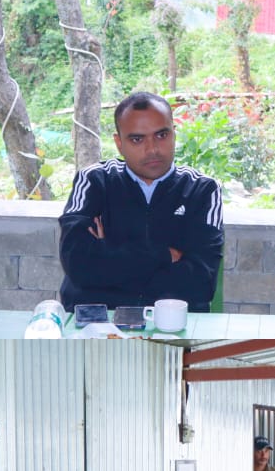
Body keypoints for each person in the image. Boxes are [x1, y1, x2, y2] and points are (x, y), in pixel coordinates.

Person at [58, 91, 224, 311]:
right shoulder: (94, 181)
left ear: (174, 133)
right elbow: (79, 266)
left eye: (161, 135)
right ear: (119, 143)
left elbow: (200, 284)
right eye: (137, 139)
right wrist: (165, 255)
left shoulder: (202, 190)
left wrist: (109, 261)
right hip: (97, 324)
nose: (152, 149)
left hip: (171, 326)